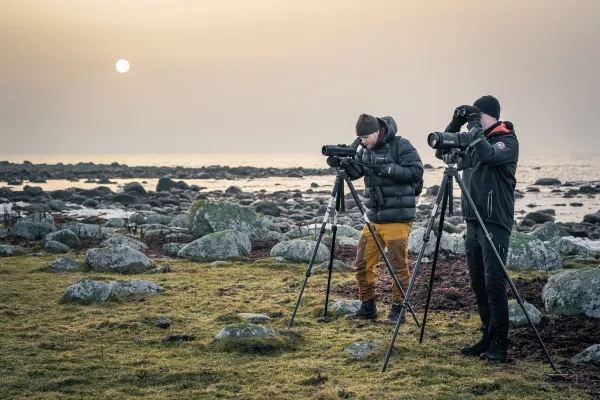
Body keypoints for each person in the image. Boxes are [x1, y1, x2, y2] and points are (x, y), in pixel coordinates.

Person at [439, 95, 519, 362]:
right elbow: (443, 153)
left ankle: (499, 343)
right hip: (473, 221)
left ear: (490, 116)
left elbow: (488, 154)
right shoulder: (475, 140)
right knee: (478, 282)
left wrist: (473, 127)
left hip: (495, 221)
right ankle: (486, 335)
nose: (474, 122)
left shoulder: (507, 140)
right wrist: (455, 124)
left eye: (478, 116)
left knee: (494, 283)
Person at [327, 114, 424, 324]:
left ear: (377, 132)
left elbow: (416, 171)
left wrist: (389, 169)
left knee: (398, 267)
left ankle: (398, 311)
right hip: (373, 218)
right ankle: (368, 307)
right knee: (362, 264)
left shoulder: (401, 145)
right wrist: (341, 163)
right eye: (360, 138)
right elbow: (356, 172)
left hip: (398, 217)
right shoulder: (365, 150)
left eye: (366, 137)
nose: (363, 141)